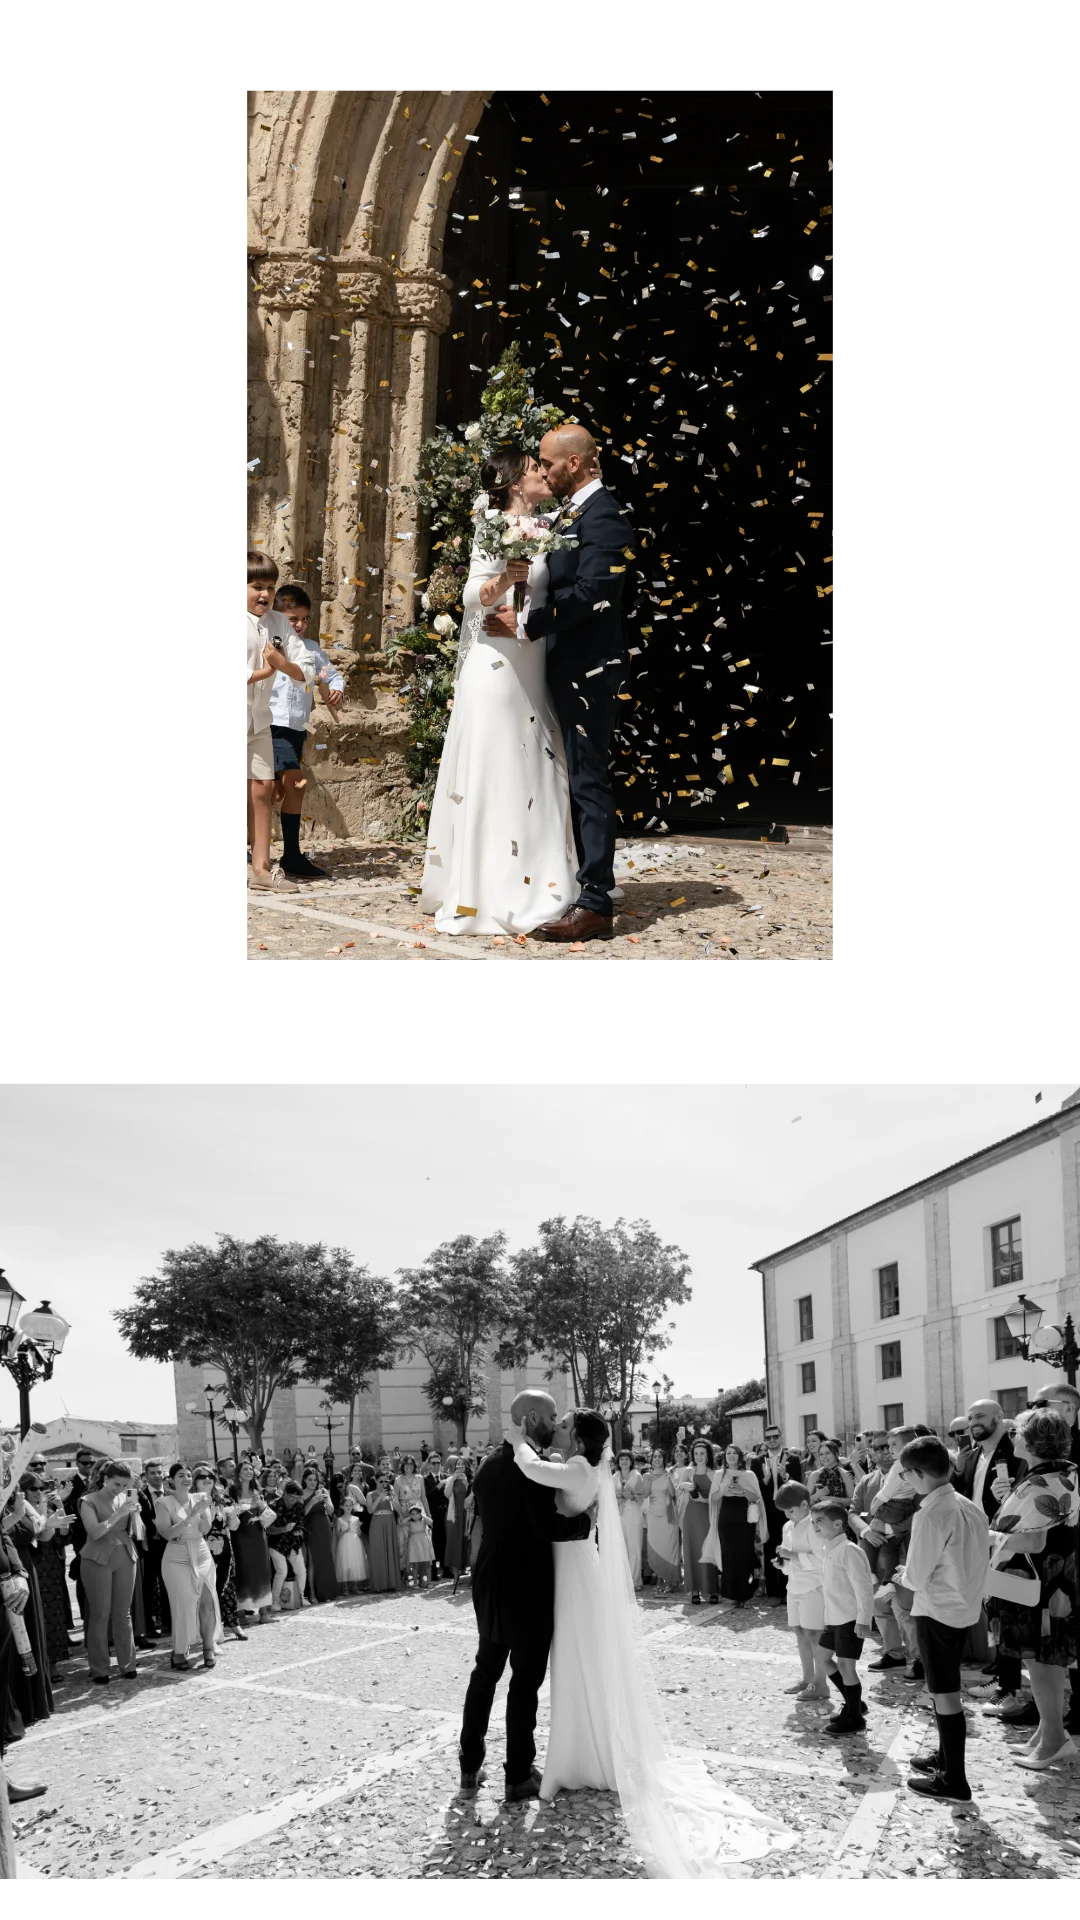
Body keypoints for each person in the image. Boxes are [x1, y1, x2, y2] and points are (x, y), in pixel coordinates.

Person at [505, 1401, 796, 1874]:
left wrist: (515, 1436)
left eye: (562, 1425)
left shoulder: (576, 1468)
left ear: (578, 1440)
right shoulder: (579, 1464)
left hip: (575, 1575)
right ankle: (581, 1747)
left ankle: (588, 1754)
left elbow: (529, 1465)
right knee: (576, 1661)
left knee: (578, 1658)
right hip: (573, 1567)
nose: (555, 1428)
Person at [480, 425, 634, 942]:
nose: (542, 472)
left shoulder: (607, 518)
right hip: (560, 666)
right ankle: (568, 882)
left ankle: (595, 903)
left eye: (547, 463)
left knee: (589, 779)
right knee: (569, 776)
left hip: (589, 669)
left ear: (573, 463)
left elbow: (592, 592)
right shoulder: (572, 513)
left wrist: (526, 626)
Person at [420, 445, 581, 938]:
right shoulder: (491, 527)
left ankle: (545, 879)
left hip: (532, 662)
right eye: (535, 469)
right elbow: (470, 595)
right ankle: (486, 889)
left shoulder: (553, 524)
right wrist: (503, 580)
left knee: (535, 761)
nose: (543, 475)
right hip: (495, 662)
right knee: (498, 767)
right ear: (515, 483)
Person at [896, 1434, 990, 1803]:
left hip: (937, 1610)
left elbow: (917, 1577)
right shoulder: (969, 1505)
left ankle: (954, 1780)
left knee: (945, 1693)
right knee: (943, 1689)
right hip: (963, 1605)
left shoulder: (931, 1513)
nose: (905, 1482)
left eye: (906, 1475)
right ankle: (945, 1755)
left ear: (919, 1473)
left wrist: (899, 1577)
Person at [983, 1404, 1078, 1768]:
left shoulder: (1043, 1481)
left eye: (1017, 1431)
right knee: (1046, 1665)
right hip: (1054, 1582)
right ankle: (1049, 1731)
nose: (1012, 1436)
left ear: (1032, 1440)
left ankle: (1053, 1738)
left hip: (1039, 1586)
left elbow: (1032, 1542)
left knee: (1041, 1665)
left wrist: (985, 1532)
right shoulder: (1063, 1472)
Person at [242, 549, 315, 893]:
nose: (265, 595)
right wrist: (262, 672)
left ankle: (260, 869)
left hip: (259, 722)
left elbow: (307, 666)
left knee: (263, 788)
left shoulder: (279, 624)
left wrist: (283, 666)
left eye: (270, 588)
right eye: (257, 586)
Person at [268, 582, 345, 882]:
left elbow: (330, 675)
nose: (299, 625)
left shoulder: (312, 650)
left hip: (295, 728)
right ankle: (289, 852)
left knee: (278, 787)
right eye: (292, 619)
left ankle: (288, 852)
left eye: (304, 619)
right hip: (272, 723)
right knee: (293, 783)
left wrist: (335, 690)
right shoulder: (270, 645)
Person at [951, 1400, 1021, 1712]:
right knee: (994, 1613)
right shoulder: (975, 1455)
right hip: (980, 1543)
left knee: (1007, 1616)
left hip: (1005, 1545)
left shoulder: (1015, 1452)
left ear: (1000, 1418)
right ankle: (1002, 1676)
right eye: (970, 1418)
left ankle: (1009, 1688)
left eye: (980, 1416)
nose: (973, 1422)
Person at [1028, 1382, 1080, 1735]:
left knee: (1058, 1645)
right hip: (1055, 1561)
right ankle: (1051, 1722)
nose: (1036, 1408)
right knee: (1052, 1650)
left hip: (1063, 1560)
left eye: (1041, 1403)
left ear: (1068, 1407)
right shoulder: (1049, 1461)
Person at [811, 1498, 875, 1735]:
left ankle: (855, 1718)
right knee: (823, 1657)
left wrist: (864, 1619)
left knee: (847, 1667)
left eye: (820, 1521)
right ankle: (855, 1703)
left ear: (838, 1523)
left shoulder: (849, 1550)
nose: (815, 1525)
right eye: (812, 1521)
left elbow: (863, 1588)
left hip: (850, 1619)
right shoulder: (829, 1550)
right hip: (834, 1618)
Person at [155, 1463, 224, 1671]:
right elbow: (167, 1533)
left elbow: (205, 1529)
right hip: (176, 1556)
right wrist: (192, 1515)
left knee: (208, 1601)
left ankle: (208, 1648)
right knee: (183, 1605)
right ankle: (179, 1651)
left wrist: (205, 1513)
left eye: (187, 1475)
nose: (186, 1478)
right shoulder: (163, 1502)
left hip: (201, 1552)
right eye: (180, 1475)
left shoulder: (201, 1498)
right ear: (171, 1481)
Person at [75, 1459, 139, 1685]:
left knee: (123, 1614)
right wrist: (118, 1514)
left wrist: (135, 1515)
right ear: (105, 1479)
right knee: (100, 1615)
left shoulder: (127, 1498)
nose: (120, 1489)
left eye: (124, 1485)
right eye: (117, 1484)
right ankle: (100, 1668)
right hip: (97, 1559)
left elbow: (137, 1532)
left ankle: (128, 1664)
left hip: (126, 1557)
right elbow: (94, 1533)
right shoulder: (88, 1501)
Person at [773, 1481, 830, 1699]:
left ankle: (820, 1683)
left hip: (813, 1587)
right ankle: (807, 1678)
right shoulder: (788, 1527)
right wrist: (782, 1563)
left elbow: (820, 1560)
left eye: (790, 1510)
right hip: (794, 1585)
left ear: (805, 1504)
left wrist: (791, 1556)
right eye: (784, 1511)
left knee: (814, 1635)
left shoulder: (814, 1525)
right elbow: (789, 1558)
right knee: (799, 1632)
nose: (787, 1515)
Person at [752, 1423, 803, 1605]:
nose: (772, 1441)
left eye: (775, 1437)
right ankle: (773, 1591)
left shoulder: (793, 1459)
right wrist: (764, 1480)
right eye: (768, 1438)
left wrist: (786, 1477)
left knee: (789, 1547)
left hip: (788, 1510)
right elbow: (755, 1487)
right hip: (768, 1510)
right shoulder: (757, 1461)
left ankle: (788, 1591)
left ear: (781, 1437)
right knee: (770, 1548)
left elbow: (798, 1484)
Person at [712, 1444, 766, 1608]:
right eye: (728, 1453)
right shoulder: (719, 1475)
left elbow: (756, 1498)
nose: (731, 1456)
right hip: (726, 1517)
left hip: (744, 1518)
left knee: (744, 1554)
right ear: (724, 1456)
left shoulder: (749, 1475)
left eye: (734, 1453)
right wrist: (724, 1491)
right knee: (728, 1555)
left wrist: (742, 1491)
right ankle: (730, 1593)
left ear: (740, 1456)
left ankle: (746, 1593)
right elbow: (713, 1498)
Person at [229, 1460, 275, 1624]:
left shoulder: (258, 1491)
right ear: (238, 1473)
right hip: (240, 1536)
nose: (248, 1471)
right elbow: (229, 1513)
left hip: (258, 1535)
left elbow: (267, 1516)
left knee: (262, 1571)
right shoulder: (232, 1491)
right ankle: (240, 1615)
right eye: (244, 1469)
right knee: (242, 1571)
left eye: (250, 1469)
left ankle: (264, 1613)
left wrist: (262, 1506)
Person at [675, 1439, 720, 1605]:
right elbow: (677, 1493)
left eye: (702, 1453)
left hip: (708, 1516)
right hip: (690, 1516)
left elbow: (718, 1498)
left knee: (708, 1550)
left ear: (708, 1454)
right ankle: (694, 1590)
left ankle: (712, 1589)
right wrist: (684, 1486)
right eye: (696, 1453)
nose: (699, 1456)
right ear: (692, 1455)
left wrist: (705, 1500)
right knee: (691, 1551)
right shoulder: (688, 1470)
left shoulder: (715, 1473)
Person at [204, 1469, 246, 1638]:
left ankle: (233, 1624)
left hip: (225, 1548)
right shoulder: (194, 1500)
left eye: (210, 1478)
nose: (207, 1481)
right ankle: (211, 1629)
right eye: (202, 1478)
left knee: (228, 1587)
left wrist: (234, 1515)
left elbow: (234, 1526)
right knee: (209, 1588)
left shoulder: (222, 1499)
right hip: (204, 1547)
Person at [138, 1460, 171, 1640]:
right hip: (149, 1548)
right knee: (148, 1588)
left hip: (169, 1546)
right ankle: (148, 1626)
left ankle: (168, 1624)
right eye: (153, 1473)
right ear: (146, 1475)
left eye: (159, 1472)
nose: (157, 1476)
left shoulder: (172, 1494)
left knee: (168, 1586)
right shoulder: (139, 1495)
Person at [641, 1449, 681, 1595]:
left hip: (668, 1515)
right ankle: (659, 1578)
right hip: (653, 1514)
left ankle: (670, 1579)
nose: (657, 1459)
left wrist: (669, 1477)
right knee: (655, 1547)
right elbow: (645, 1494)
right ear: (651, 1460)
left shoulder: (670, 1474)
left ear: (664, 1459)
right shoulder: (647, 1475)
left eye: (660, 1456)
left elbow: (673, 1494)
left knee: (669, 1546)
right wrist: (650, 1480)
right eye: (655, 1456)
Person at [267, 1479, 311, 1608]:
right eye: (292, 1497)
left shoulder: (298, 1506)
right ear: (285, 1493)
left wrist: (298, 1531)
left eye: (297, 1498)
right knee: (282, 1571)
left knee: (301, 1570)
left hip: (292, 1543)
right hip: (276, 1543)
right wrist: (283, 1529)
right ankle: (275, 1602)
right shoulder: (273, 1505)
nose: (295, 1500)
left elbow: (300, 1523)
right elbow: (268, 1529)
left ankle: (301, 1597)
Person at [298, 1466, 339, 1602]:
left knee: (326, 1559)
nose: (312, 1482)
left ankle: (328, 1592)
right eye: (309, 1479)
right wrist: (312, 1502)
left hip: (324, 1526)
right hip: (310, 1528)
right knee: (312, 1561)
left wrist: (326, 1500)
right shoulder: (301, 1494)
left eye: (315, 1480)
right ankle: (313, 1594)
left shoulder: (322, 1491)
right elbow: (301, 1514)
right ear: (304, 1480)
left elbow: (331, 1510)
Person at [393, 1456, 431, 1579]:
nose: (409, 1466)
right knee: (403, 1543)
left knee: (420, 1542)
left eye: (411, 1464)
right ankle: (405, 1574)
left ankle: (422, 1575)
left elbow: (424, 1497)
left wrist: (428, 1515)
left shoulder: (420, 1479)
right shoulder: (398, 1480)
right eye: (406, 1464)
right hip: (404, 1512)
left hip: (419, 1513)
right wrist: (400, 1515)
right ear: (402, 1466)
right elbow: (395, 1499)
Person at [614, 1450, 646, 1590]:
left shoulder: (637, 1476)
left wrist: (630, 1496)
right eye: (622, 1459)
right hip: (619, 1513)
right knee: (623, 1547)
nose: (624, 1461)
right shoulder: (615, 1476)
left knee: (634, 1546)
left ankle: (636, 1581)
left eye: (627, 1459)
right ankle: (624, 1581)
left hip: (633, 1512)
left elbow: (642, 1497)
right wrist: (618, 1497)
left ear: (631, 1461)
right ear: (618, 1462)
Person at [366, 1476, 402, 1592]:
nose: (383, 1483)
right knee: (379, 1551)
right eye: (381, 1481)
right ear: (376, 1481)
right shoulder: (370, 1494)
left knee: (390, 1550)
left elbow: (398, 1509)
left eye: (386, 1481)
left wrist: (391, 1498)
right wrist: (380, 1497)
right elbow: (370, 1510)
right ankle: (379, 1584)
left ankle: (392, 1583)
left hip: (390, 1522)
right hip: (377, 1522)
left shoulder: (391, 1493)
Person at [442, 1454, 471, 1579]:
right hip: (454, 1514)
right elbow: (447, 1495)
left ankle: (464, 1568)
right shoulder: (450, 1479)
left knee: (466, 1541)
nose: (459, 1466)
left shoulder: (471, 1479)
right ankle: (455, 1573)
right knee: (454, 1541)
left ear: (466, 1466)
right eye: (457, 1464)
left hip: (467, 1513)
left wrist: (466, 1482)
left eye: (462, 1464)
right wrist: (453, 1479)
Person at [333, 1495, 369, 1594]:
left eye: (350, 1505)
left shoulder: (356, 1519)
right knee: (345, 1563)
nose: (348, 1507)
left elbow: (360, 1533)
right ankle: (345, 1588)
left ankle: (355, 1586)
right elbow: (337, 1534)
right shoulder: (340, 1520)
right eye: (346, 1505)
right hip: (344, 1543)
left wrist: (358, 1531)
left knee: (354, 1563)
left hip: (355, 1542)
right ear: (342, 1506)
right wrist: (345, 1530)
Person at [422, 1449, 447, 1579]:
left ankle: (446, 1569)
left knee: (445, 1542)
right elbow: (426, 1495)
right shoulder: (425, 1479)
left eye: (438, 1463)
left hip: (445, 1513)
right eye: (433, 1463)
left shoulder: (446, 1477)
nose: (436, 1465)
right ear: (429, 1465)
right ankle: (433, 1571)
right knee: (433, 1543)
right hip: (432, 1514)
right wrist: (438, 1487)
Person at [807, 1438, 856, 1505]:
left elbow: (852, 1501)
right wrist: (817, 1495)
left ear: (836, 1454)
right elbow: (806, 1502)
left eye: (827, 1453)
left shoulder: (845, 1474)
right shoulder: (815, 1475)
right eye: (821, 1454)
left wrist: (833, 1499)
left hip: (840, 1514)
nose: (824, 1457)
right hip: (818, 1514)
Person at [404, 1503, 435, 1588]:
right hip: (414, 1543)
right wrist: (410, 1517)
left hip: (424, 1542)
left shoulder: (424, 1520)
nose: (415, 1516)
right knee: (415, 1564)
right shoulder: (410, 1522)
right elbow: (402, 1522)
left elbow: (431, 1522)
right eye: (413, 1514)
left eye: (417, 1513)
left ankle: (429, 1582)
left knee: (427, 1563)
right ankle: (415, 1583)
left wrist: (423, 1515)